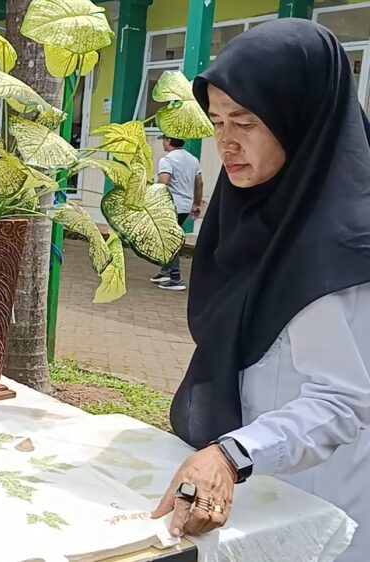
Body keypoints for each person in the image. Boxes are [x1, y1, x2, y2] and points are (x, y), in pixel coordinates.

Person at [153, 20, 370, 561]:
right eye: (217, 122)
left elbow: (343, 400)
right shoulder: (249, 213)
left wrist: (234, 453)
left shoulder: (340, 242)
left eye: (246, 123)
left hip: (321, 504)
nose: (226, 142)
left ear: (299, 119)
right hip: (253, 484)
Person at [150, 136, 203, 291]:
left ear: (168, 140)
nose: (162, 142)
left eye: (163, 139)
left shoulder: (167, 160)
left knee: (169, 240)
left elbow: (164, 182)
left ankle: (175, 278)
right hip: (185, 206)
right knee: (169, 237)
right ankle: (165, 272)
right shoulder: (193, 159)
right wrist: (197, 204)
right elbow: (199, 183)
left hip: (171, 205)